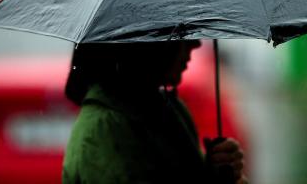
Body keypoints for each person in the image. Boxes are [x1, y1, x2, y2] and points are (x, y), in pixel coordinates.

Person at [62, 40, 247, 184]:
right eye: (179, 31)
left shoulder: (169, 109)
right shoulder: (103, 131)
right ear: (146, 44)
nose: (195, 44)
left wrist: (216, 172)